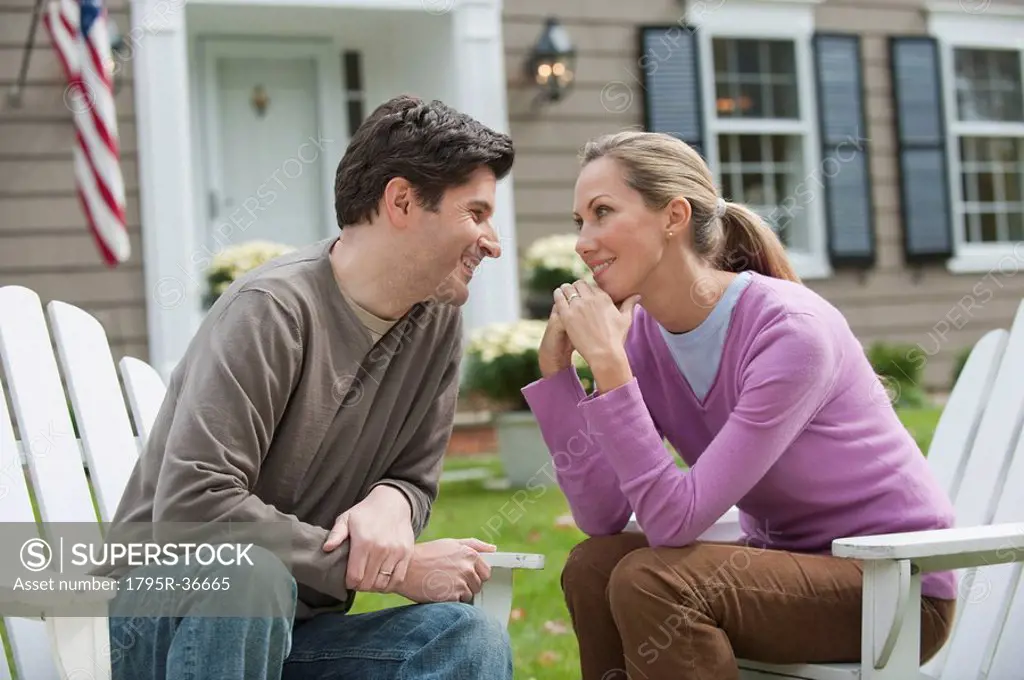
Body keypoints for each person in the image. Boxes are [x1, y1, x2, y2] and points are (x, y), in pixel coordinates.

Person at [102, 95, 516, 680]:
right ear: (401, 201)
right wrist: (393, 571)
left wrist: (393, 499)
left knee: (464, 639)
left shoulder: (436, 322)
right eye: (475, 214)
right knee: (250, 574)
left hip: (294, 632)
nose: (492, 241)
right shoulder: (271, 312)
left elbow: (414, 479)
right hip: (167, 620)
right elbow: (195, 507)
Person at [521, 130, 957, 680]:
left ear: (674, 216)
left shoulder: (790, 332)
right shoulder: (645, 340)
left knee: (654, 581)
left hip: (894, 585)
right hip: (777, 568)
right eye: (579, 220)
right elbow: (601, 516)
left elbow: (673, 521)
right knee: (593, 567)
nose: (583, 241)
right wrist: (558, 375)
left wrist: (611, 368)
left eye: (602, 212)